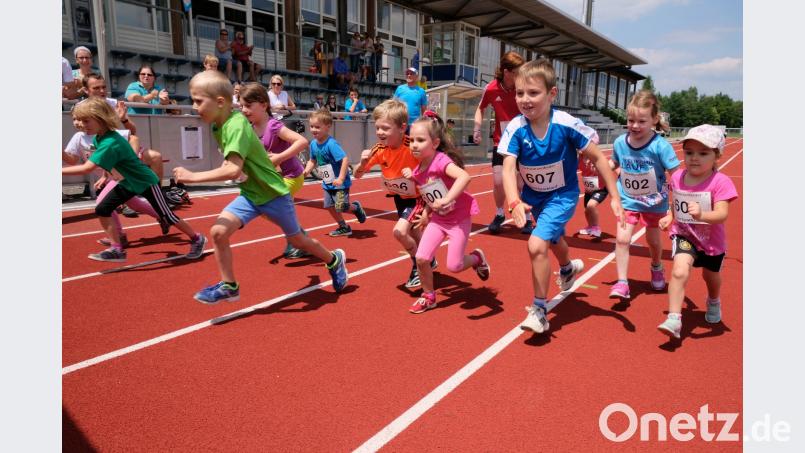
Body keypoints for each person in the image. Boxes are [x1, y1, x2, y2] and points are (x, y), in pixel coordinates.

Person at [173, 71, 348, 303]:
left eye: (198, 101)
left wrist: (191, 176)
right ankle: (229, 285)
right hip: (251, 194)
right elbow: (235, 165)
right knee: (218, 232)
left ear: (220, 102)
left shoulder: (236, 126)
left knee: (297, 240)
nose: (194, 107)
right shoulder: (218, 126)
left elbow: (232, 170)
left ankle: (334, 260)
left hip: (274, 193)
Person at [499, 59, 622, 334]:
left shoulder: (566, 124)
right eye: (520, 93)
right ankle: (567, 268)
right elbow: (508, 168)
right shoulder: (516, 127)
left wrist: (614, 196)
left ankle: (540, 310)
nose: (525, 100)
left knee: (536, 244)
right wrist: (514, 201)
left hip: (562, 196)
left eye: (533, 93)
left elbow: (600, 158)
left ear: (551, 94)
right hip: (534, 197)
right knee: (553, 239)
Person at [62, 97, 207, 262]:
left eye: (86, 121)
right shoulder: (99, 138)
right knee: (103, 208)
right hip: (128, 181)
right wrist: (105, 175)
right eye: (79, 120)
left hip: (145, 181)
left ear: (100, 118)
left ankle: (197, 238)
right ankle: (117, 249)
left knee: (167, 216)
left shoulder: (110, 141)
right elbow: (105, 162)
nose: (82, 125)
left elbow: (87, 168)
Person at [401, 112, 489, 314]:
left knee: (455, 266)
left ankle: (477, 259)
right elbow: (430, 192)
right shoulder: (418, 169)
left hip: (458, 220)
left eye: (420, 140)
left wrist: (448, 199)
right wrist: (425, 212)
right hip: (438, 219)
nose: (414, 144)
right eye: (412, 140)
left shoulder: (441, 161)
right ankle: (429, 296)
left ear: (435, 143)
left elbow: (464, 177)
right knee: (422, 258)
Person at [656, 125, 737, 339]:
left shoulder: (721, 182)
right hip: (684, 235)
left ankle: (713, 300)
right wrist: (670, 217)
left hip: (712, 242)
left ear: (717, 155)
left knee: (711, 277)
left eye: (703, 153)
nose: (694, 158)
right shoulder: (677, 178)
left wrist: (702, 215)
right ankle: (674, 318)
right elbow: (676, 203)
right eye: (689, 152)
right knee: (679, 271)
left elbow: (722, 214)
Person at [353, 99, 436, 288]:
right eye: (377, 128)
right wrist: (363, 163)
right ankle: (428, 259)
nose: (380, 133)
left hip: (417, 197)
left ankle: (418, 266)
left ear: (401, 128)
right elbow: (357, 175)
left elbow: (432, 170)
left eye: (385, 128)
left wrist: (420, 181)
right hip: (400, 197)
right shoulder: (379, 149)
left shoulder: (413, 147)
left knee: (399, 232)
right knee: (413, 233)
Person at [609, 90, 681, 300]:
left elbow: (676, 175)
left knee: (653, 241)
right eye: (631, 120)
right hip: (628, 199)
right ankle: (622, 282)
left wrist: (673, 208)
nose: (635, 126)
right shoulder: (621, 142)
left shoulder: (660, 146)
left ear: (654, 120)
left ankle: (657, 266)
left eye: (641, 121)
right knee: (622, 239)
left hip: (653, 202)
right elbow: (614, 162)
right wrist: (606, 166)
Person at [63, 102, 164, 245]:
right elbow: (72, 160)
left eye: (83, 119)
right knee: (133, 203)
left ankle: (119, 237)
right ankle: (162, 216)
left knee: (103, 204)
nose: (78, 123)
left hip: (121, 176)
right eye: (75, 119)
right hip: (111, 177)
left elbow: (133, 138)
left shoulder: (107, 133)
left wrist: (132, 158)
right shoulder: (79, 137)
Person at [239, 82, 311, 259]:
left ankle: (297, 238)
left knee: (268, 207)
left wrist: (279, 158)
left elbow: (302, 142)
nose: (243, 110)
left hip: (292, 175)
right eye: (241, 106)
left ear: (264, 105)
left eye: (248, 106)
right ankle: (297, 235)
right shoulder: (249, 129)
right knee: (266, 209)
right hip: (273, 178)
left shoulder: (274, 126)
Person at [473, 51, 528, 235]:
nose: (521, 75)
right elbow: (480, 109)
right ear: (507, 72)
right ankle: (499, 214)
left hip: (523, 141)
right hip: (501, 142)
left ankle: (526, 217)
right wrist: (477, 129)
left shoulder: (523, 88)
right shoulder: (491, 89)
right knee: (498, 181)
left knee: (521, 183)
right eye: (518, 72)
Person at [303, 108, 368, 236]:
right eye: (311, 126)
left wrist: (341, 178)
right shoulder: (313, 145)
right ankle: (343, 226)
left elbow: (344, 159)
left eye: (317, 127)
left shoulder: (331, 144)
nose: (313, 130)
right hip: (327, 182)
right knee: (328, 205)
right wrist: (306, 171)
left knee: (341, 206)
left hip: (340, 183)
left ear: (327, 127)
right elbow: (312, 160)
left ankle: (355, 207)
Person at [577, 153, 615, 240]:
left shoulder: (595, 156)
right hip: (589, 190)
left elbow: (608, 166)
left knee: (591, 206)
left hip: (600, 189)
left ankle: (596, 227)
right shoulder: (579, 158)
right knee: (586, 211)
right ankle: (590, 227)